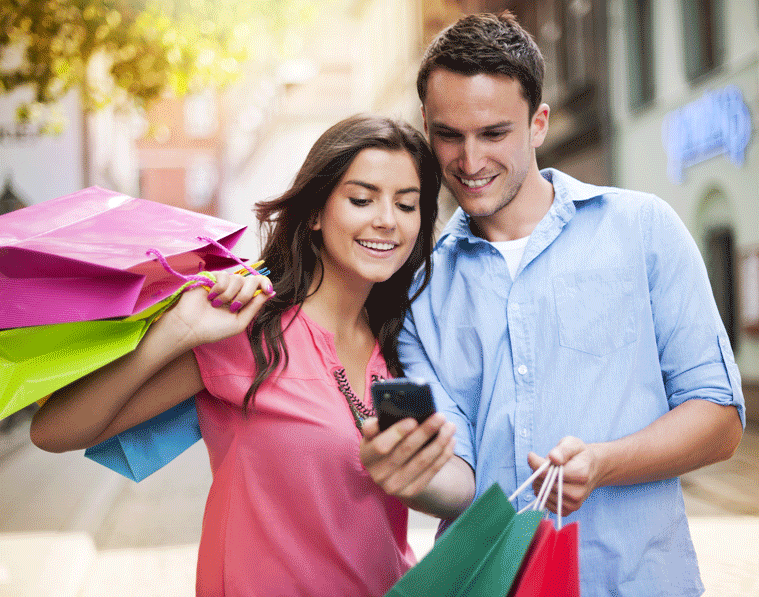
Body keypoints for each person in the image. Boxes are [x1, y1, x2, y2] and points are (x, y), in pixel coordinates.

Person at [359, 11, 745, 597]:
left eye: (494, 134)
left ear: (538, 123)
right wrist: (409, 475)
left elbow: (719, 420)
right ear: (427, 128)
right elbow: (461, 479)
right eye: (448, 135)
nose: (469, 161)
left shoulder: (644, 231)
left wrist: (605, 462)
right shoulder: (418, 290)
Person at [30, 114, 456, 597]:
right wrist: (180, 330)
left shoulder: (405, 346)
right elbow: (53, 432)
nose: (387, 219)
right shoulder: (249, 329)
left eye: (407, 204)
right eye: (361, 199)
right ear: (315, 212)